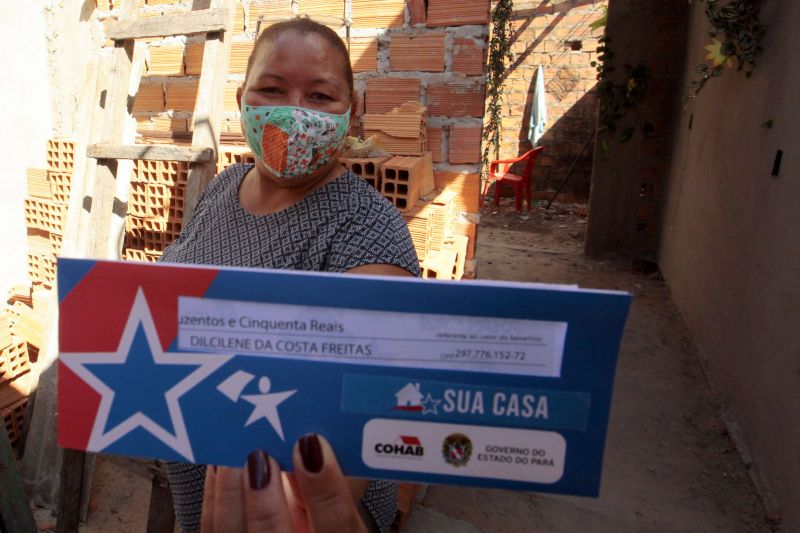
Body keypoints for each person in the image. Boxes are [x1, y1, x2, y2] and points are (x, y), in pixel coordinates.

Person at [159, 16, 420, 533]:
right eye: (272, 90)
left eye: (320, 96)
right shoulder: (224, 186)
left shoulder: (368, 230)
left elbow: (355, 435)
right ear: (241, 100)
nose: (293, 114)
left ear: (353, 110)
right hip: (199, 485)